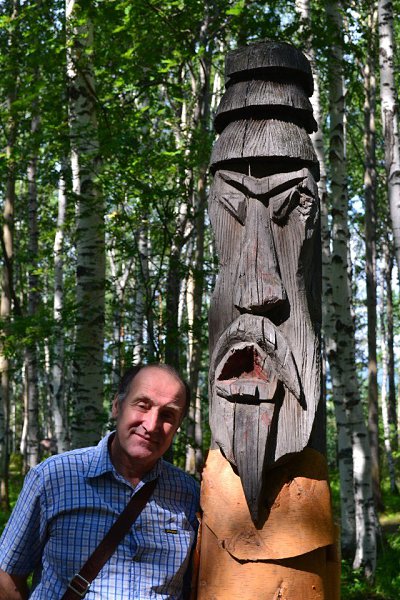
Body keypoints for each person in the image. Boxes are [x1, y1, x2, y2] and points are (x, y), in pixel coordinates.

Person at [0, 364, 199, 599]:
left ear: (177, 427)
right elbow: (7, 577)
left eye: (167, 415)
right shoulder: (53, 477)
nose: (151, 424)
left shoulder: (189, 494)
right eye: (142, 405)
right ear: (117, 406)